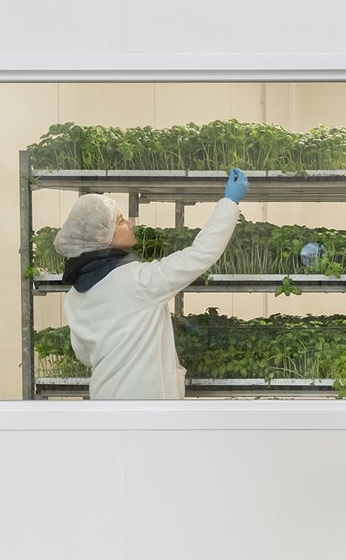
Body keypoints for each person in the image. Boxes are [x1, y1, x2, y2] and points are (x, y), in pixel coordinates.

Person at [52, 170, 250, 400]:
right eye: (120, 221)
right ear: (99, 235)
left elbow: (85, 355)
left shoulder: (75, 296)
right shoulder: (137, 281)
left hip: (104, 401)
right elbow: (200, 254)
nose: (130, 223)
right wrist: (230, 202)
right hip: (146, 408)